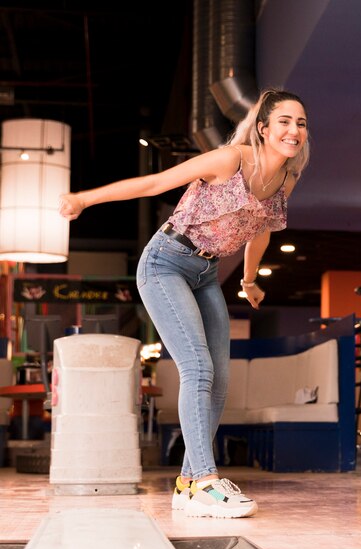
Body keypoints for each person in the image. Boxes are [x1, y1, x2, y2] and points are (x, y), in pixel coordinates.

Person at [59, 89, 310, 518]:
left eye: (301, 123)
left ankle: (189, 483)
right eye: (284, 121)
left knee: (220, 379)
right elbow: (155, 183)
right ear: (263, 128)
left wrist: (248, 280)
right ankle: (206, 482)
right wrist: (85, 198)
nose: (294, 130)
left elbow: (261, 229)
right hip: (165, 263)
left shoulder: (286, 177)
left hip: (206, 273)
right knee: (197, 367)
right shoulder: (230, 159)